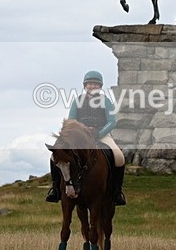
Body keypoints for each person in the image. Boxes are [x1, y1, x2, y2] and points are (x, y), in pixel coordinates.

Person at [45, 70, 127, 205]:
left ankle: (117, 192)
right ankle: (55, 189)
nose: (92, 86)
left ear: (100, 86)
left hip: (102, 135)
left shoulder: (106, 101)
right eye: (90, 84)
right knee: (54, 156)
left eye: (95, 84)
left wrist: (99, 133)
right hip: (80, 139)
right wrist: (81, 132)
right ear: (85, 85)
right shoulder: (77, 101)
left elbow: (112, 122)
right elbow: (71, 121)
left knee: (119, 158)